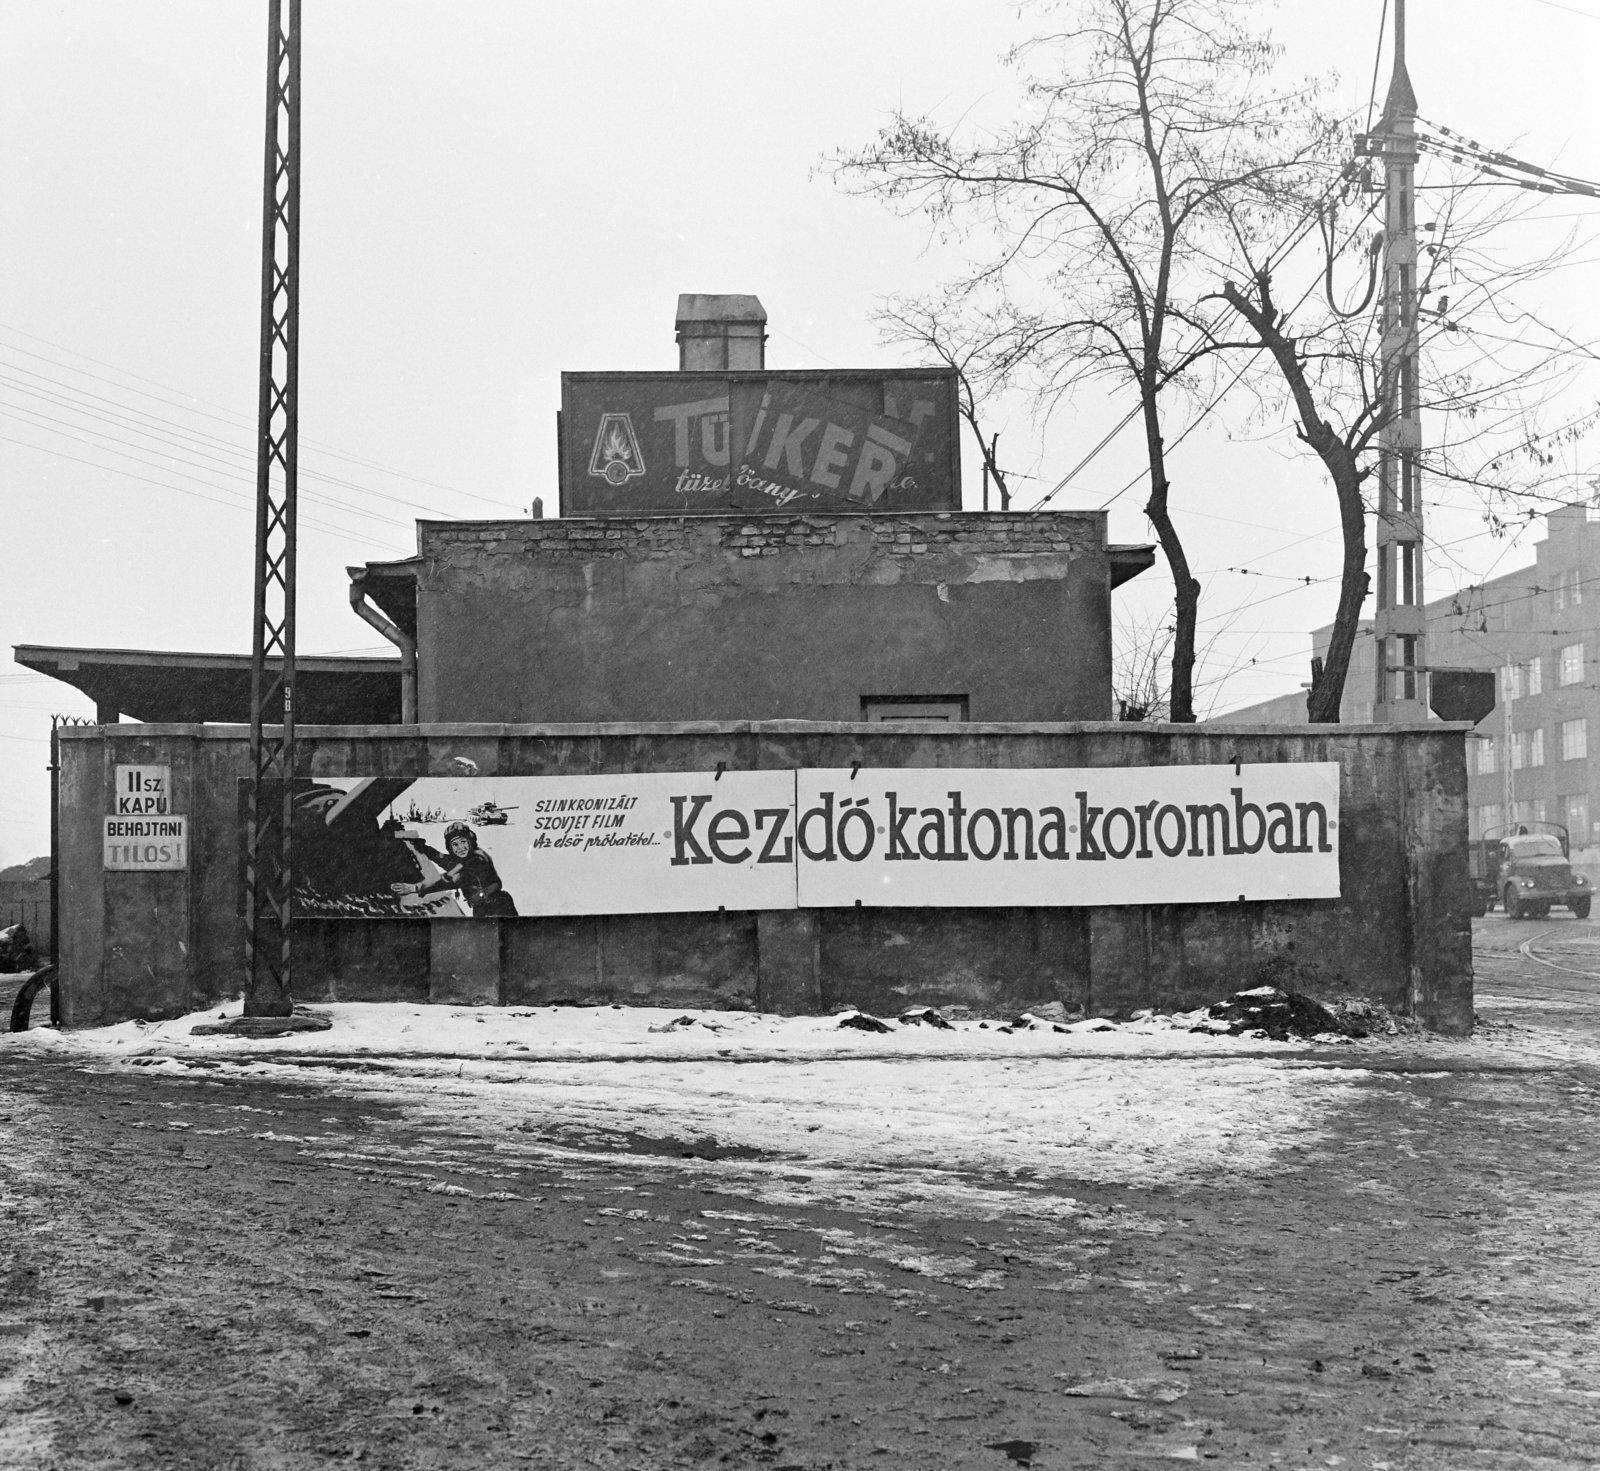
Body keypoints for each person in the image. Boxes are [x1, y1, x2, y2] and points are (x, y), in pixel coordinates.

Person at [391, 820, 518, 917]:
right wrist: (423, 848)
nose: (460, 847)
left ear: (470, 842)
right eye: (455, 844)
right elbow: (444, 859)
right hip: (484, 905)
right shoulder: (468, 857)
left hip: (496, 905)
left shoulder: (477, 859)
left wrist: (416, 887)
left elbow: (450, 879)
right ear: (450, 848)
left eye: (463, 842)